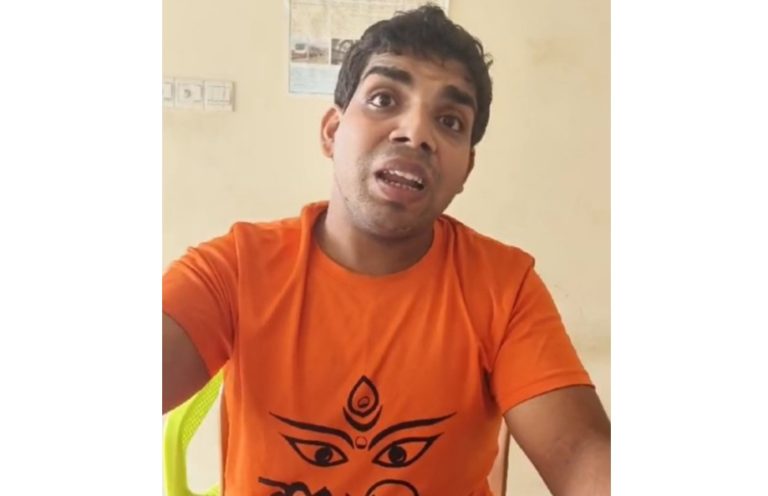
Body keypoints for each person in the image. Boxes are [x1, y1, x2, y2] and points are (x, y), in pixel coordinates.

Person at [163, 5, 610, 495]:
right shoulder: (236, 269)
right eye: (383, 99)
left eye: (449, 121)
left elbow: (580, 454)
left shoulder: (504, 287)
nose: (416, 133)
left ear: (466, 169)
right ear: (332, 132)